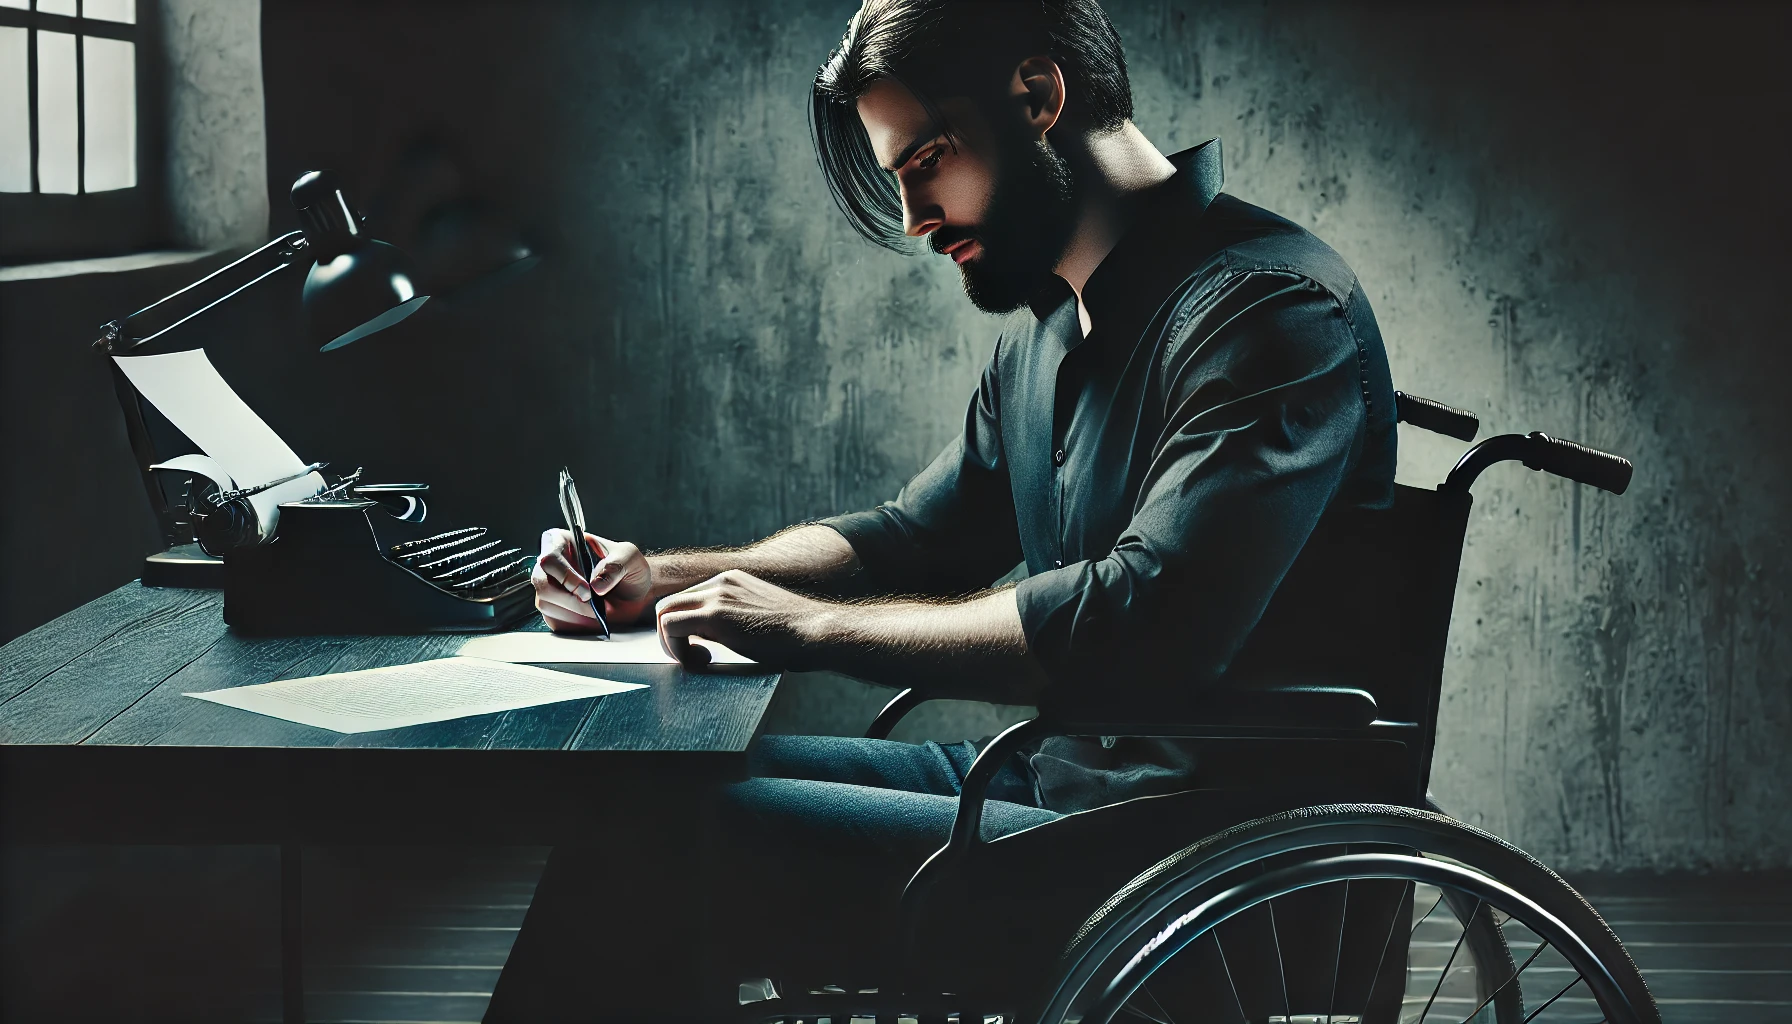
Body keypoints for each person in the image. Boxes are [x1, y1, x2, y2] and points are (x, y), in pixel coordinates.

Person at [486, 0, 1396, 1017]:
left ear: (1038, 96)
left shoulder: (1270, 310)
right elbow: (915, 537)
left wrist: (812, 631)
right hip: (1050, 786)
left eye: (925, 161)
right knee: (645, 788)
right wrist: (656, 576)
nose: (915, 220)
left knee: (660, 844)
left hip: (1179, 854)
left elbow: (1140, 612)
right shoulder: (1050, 328)